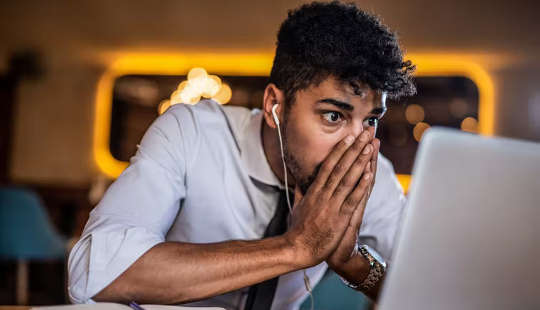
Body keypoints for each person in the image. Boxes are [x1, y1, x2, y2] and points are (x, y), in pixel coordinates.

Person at [68, 1, 416, 309]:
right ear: (274, 105)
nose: (355, 145)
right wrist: (294, 247)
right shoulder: (194, 133)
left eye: (370, 120)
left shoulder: (372, 176)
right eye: (334, 116)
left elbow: (439, 294)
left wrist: (356, 265)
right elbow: (94, 273)